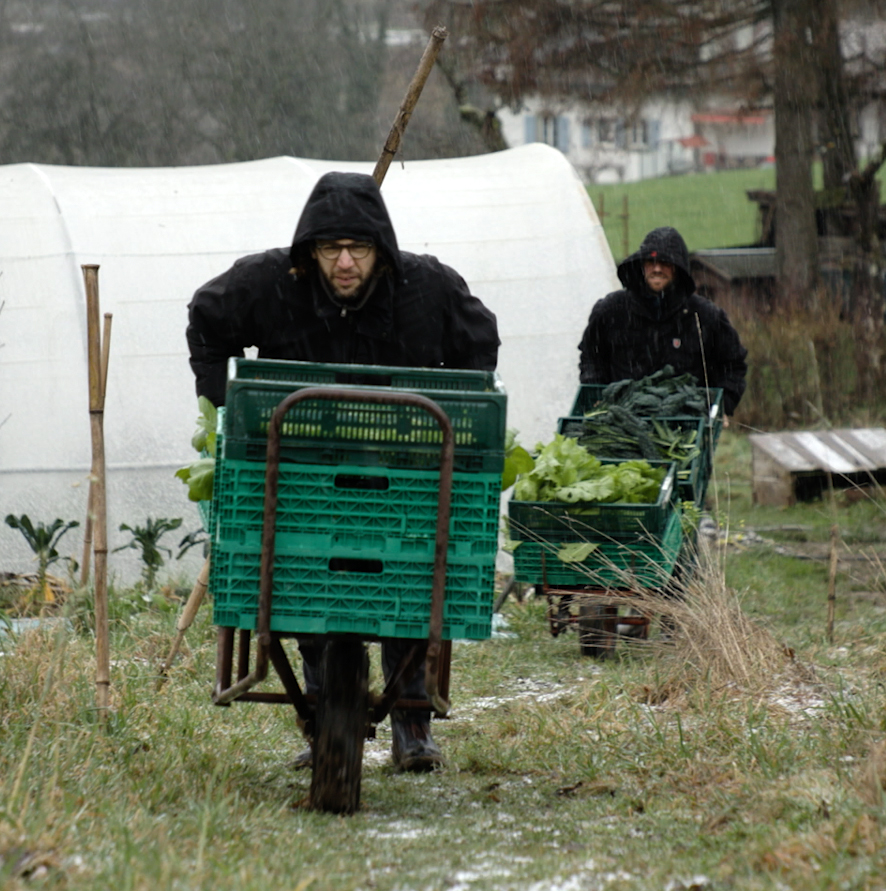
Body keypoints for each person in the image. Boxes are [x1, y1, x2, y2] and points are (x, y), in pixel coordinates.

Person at [187, 171, 500, 772]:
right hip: (301, 470)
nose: (346, 263)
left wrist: (460, 413)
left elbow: (478, 345)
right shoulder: (268, 282)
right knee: (305, 578)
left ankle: (413, 722)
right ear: (311, 253)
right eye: (331, 250)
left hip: (403, 471)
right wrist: (225, 405)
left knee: (410, 585)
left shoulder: (427, 286)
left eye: (359, 249)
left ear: (382, 249)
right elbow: (207, 317)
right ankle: (319, 720)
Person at [578, 226, 747, 418]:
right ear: (641, 265)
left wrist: (722, 405)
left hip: (687, 422)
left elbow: (732, 364)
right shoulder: (610, 311)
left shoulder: (704, 316)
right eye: (650, 261)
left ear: (678, 269)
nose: (657, 268)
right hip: (622, 422)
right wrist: (596, 395)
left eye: (665, 262)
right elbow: (592, 357)